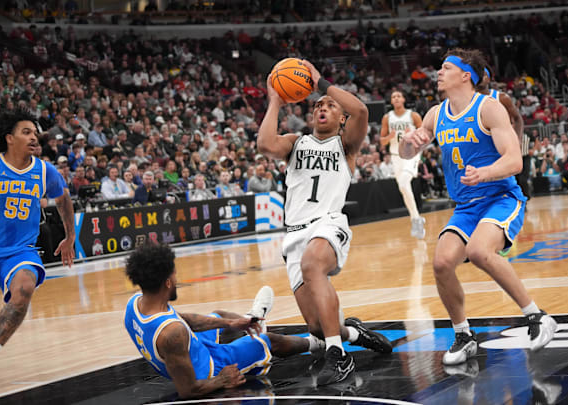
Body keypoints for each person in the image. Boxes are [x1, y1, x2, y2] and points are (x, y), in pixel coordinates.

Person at [400, 49, 557, 367]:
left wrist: (485, 172)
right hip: (466, 207)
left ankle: (537, 317)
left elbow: (514, 160)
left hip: (501, 199)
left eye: (445, 68)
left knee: (481, 251)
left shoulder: (489, 109)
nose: (438, 73)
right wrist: (409, 141)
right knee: (442, 263)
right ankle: (463, 335)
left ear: (465, 75)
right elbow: (405, 155)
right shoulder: (435, 114)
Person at [258, 60, 392, 385]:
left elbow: (361, 111)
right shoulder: (294, 143)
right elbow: (264, 144)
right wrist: (275, 99)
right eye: (318, 105)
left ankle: (338, 356)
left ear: (340, 118)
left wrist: (321, 84)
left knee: (313, 265)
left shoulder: (346, 145)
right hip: (294, 235)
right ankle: (355, 335)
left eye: (330, 106)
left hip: (328, 223)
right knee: (317, 326)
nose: (322, 107)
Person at [123, 243, 326, 399]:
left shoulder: (135, 305)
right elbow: (188, 390)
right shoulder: (172, 334)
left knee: (221, 315)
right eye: (174, 274)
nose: (177, 279)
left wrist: (230, 324)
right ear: (167, 282)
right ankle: (317, 343)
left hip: (188, 348)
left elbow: (179, 319)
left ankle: (251, 321)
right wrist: (222, 379)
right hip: (210, 368)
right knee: (269, 341)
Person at [0, 109, 76, 377]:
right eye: (27, 133)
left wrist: (70, 236)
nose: (34, 138)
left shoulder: (45, 170)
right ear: (9, 138)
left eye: (35, 134)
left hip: (20, 251)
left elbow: (63, 199)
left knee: (24, 287)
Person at [475, 67, 528, 199]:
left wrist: (518, 139)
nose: (481, 77)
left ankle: (520, 199)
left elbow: (517, 118)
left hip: (508, 138)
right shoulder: (470, 101)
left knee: (517, 172)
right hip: (488, 142)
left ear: (489, 78)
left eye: (484, 75)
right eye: (478, 75)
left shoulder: (501, 97)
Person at [380, 90, 426, 239]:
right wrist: (390, 137)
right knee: (403, 188)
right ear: (391, 101)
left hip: (411, 154)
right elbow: (382, 142)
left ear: (404, 99)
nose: (396, 98)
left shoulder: (413, 116)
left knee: (404, 183)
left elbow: (425, 134)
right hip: (395, 156)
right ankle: (416, 218)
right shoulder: (387, 118)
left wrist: (413, 135)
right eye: (393, 96)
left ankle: (416, 219)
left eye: (399, 96)